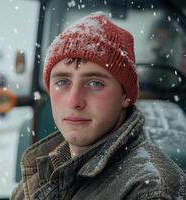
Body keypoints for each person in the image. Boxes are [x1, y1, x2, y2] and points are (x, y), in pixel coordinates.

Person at [11, 12, 186, 200]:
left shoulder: (149, 192)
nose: (73, 101)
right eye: (62, 82)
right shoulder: (44, 172)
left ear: (126, 96)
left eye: (95, 83)